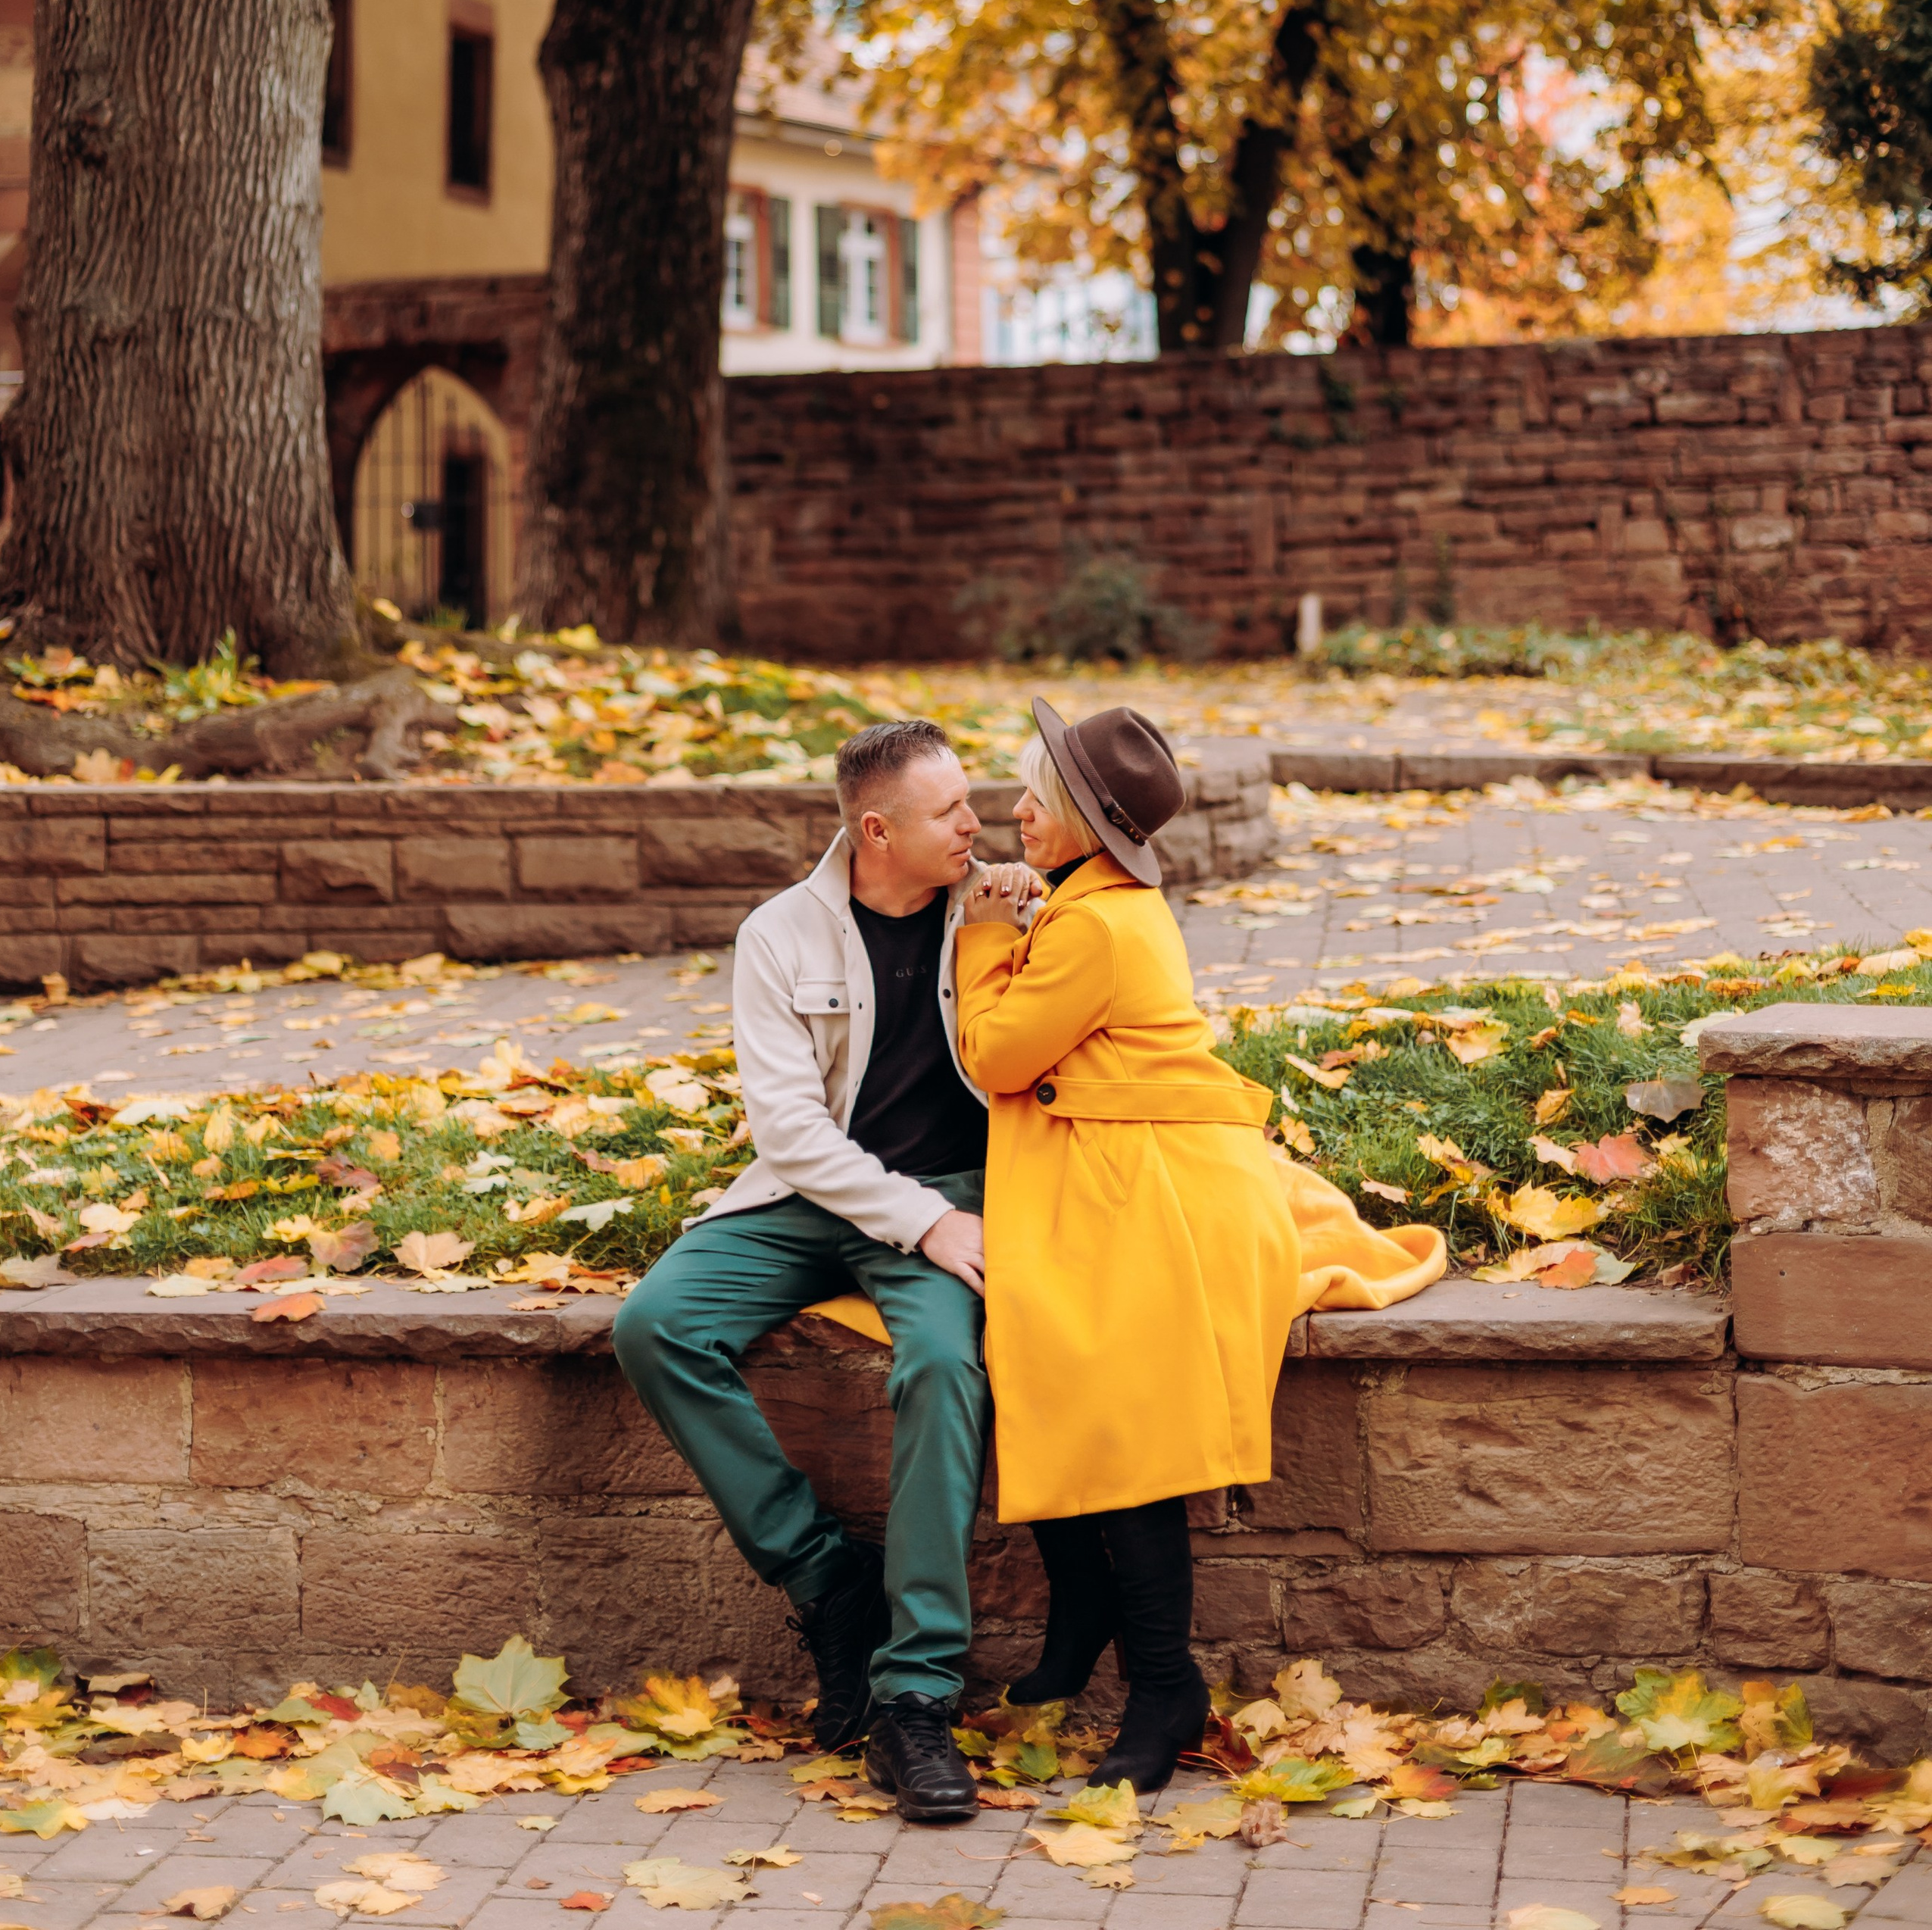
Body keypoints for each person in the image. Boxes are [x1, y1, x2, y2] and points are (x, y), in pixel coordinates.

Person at [955, 698, 1446, 1793]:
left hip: (1155, 1194)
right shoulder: (1093, 902)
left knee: (1125, 1432)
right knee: (1051, 1372)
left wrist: (982, 933)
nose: (1018, 810)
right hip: (1123, 1171)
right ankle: (1085, 1615)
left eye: (1040, 796)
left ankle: (1165, 1684)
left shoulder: (1092, 924)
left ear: (1091, 822)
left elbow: (996, 1055)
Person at [613, 717, 990, 1826]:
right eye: (949, 811)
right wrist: (923, 1223)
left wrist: (944, 1217)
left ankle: (917, 1693)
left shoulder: (993, 909)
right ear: (877, 830)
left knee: (942, 1368)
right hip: (816, 1197)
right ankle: (827, 1577)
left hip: (952, 1199)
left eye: (972, 802)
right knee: (655, 1326)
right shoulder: (779, 934)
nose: (976, 823)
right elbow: (788, 1131)